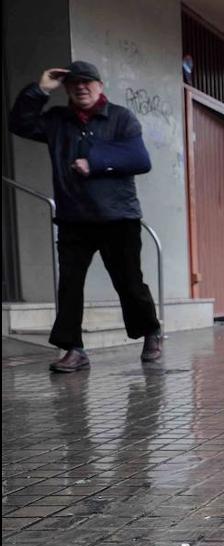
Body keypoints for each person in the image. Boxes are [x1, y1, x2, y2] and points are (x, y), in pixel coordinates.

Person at [8, 61, 162, 373]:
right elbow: (20, 123)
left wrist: (95, 162)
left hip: (118, 217)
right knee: (69, 285)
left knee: (130, 283)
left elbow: (140, 159)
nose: (82, 87)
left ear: (100, 86)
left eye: (88, 82)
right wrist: (40, 89)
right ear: (66, 88)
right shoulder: (57, 121)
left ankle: (151, 333)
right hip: (73, 218)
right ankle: (73, 349)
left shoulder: (121, 118)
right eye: (75, 83)